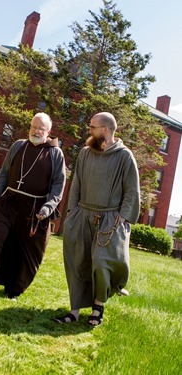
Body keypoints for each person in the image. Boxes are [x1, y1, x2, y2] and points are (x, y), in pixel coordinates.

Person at [0, 112, 66, 299]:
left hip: (34, 209)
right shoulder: (18, 146)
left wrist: (48, 207)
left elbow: (58, 185)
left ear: (49, 131)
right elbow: (3, 174)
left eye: (40, 129)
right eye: (33, 127)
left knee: (24, 249)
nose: (36, 131)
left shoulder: (55, 153)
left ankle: (13, 288)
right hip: (8, 202)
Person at [54, 112, 140, 326]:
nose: (89, 130)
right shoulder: (85, 153)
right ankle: (74, 311)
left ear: (105, 130)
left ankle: (97, 306)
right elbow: (76, 184)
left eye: (92, 127)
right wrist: (71, 212)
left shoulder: (124, 156)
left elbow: (131, 190)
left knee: (102, 263)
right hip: (82, 214)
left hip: (111, 218)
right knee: (77, 261)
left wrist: (123, 217)